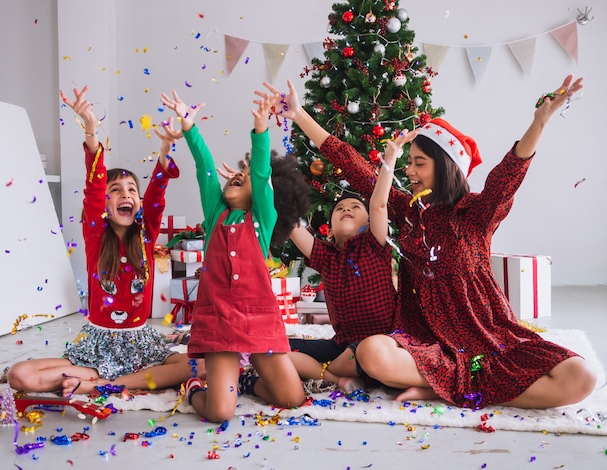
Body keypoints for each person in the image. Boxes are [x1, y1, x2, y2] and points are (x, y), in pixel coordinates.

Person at [266, 75, 596, 410]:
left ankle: (448, 388)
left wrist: (539, 122)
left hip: (485, 336)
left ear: (447, 166)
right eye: (408, 162)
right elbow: (353, 164)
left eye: (418, 163)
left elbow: (507, 175)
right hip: (426, 344)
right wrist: (299, 115)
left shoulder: (476, 213)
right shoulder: (407, 212)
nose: (408, 170)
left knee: (581, 377)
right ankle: (457, 385)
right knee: (371, 353)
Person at [8, 85, 196, 397]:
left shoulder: (146, 234)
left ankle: (104, 386)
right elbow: (93, 187)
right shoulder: (95, 234)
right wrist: (92, 130)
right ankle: (98, 379)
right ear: (105, 207)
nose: (126, 195)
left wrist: (164, 152)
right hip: (98, 347)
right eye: (117, 190)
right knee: (20, 375)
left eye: (132, 189)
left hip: (140, 346)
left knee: (199, 366)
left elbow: (156, 196)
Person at [159, 87, 309, 423]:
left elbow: (260, 172)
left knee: (292, 398)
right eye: (234, 177)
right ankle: (197, 387)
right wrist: (189, 128)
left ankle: (247, 381)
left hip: (260, 321)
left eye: (244, 177)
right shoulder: (216, 215)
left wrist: (259, 129)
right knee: (219, 413)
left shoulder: (262, 220)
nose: (237, 177)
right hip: (219, 322)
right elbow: (205, 168)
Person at [286, 124, 414, 392]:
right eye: (340, 208)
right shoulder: (325, 255)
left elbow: (379, 203)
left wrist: (389, 161)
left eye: (356, 207)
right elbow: (291, 226)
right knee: (277, 347)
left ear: (369, 222)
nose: (346, 208)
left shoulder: (375, 244)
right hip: (342, 344)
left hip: (380, 342)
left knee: (354, 356)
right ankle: (338, 378)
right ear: (329, 229)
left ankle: (334, 372)